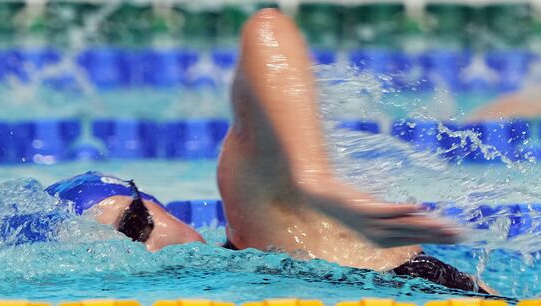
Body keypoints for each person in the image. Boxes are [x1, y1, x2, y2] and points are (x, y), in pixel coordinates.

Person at [44, 9, 492, 294]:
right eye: (119, 254)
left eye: (135, 225)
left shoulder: (265, 220)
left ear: (159, 207)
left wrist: (313, 181)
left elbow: (267, 29)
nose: (150, 248)